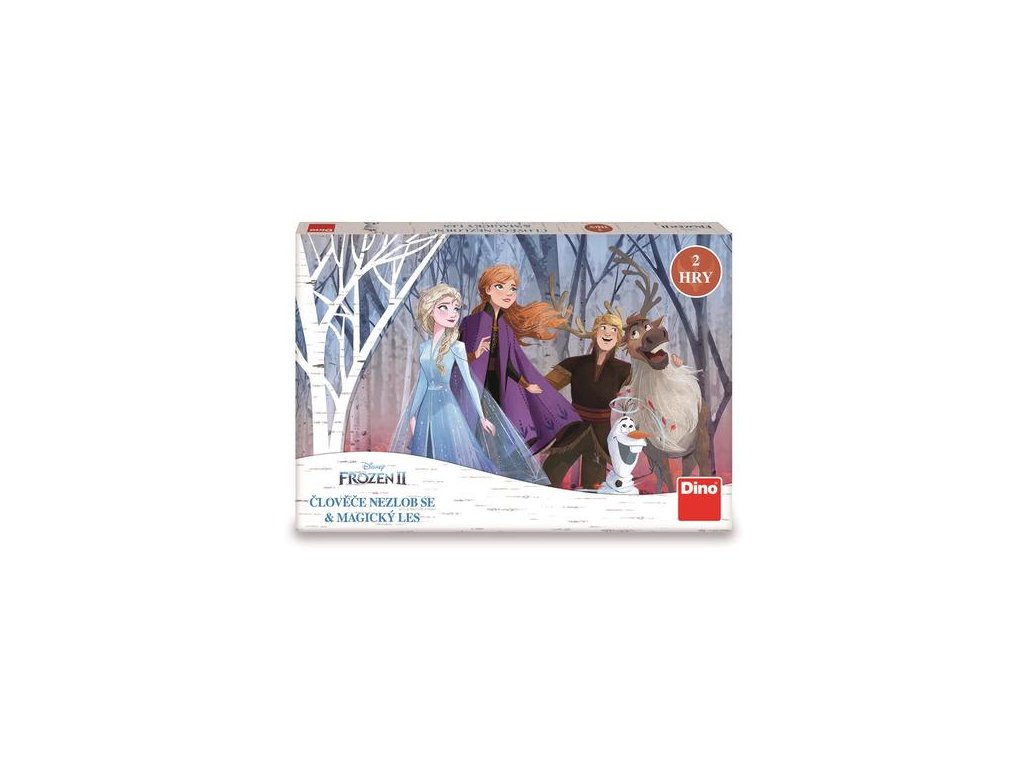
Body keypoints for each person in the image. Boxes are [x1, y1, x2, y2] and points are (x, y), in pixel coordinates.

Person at [390, 283, 548, 484]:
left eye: (456, 308)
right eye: (444, 307)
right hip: (425, 410)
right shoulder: (424, 347)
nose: (452, 313)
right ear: (430, 310)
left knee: (451, 453)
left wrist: (482, 417)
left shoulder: (457, 347)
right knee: (425, 455)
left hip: (447, 407)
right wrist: (412, 414)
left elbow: (470, 382)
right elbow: (422, 383)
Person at [457, 265, 580, 453]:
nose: (508, 293)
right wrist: (476, 355)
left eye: (513, 288)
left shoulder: (505, 327)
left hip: (499, 386)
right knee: (478, 432)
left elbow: (508, 363)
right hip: (476, 388)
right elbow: (456, 358)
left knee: (498, 433)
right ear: (488, 289)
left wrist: (525, 384)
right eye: (500, 286)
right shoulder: (472, 322)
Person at [542, 312, 632, 490]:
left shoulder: (625, 370)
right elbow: (544, 386)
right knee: (550, 473)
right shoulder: (574, 364)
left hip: (602, 434)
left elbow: (639, 394)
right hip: (575, 428)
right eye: (603, 328)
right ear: (595, 332)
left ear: (618, 338)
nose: (608, 333)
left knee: (593, 486)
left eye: (613, 330)